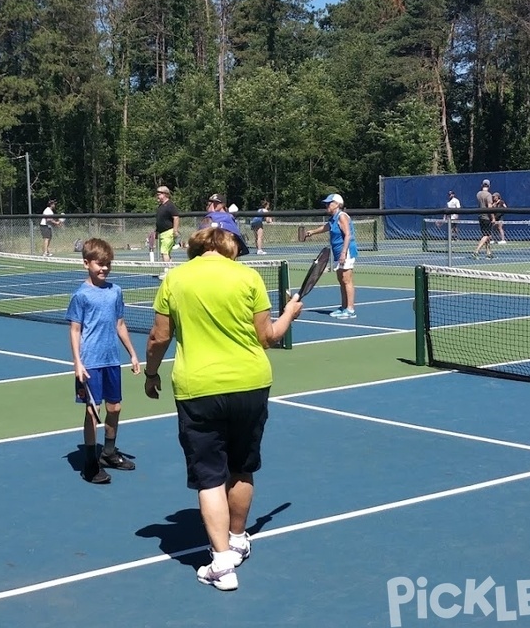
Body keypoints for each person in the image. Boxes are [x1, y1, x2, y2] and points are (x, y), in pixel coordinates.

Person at [143, 226, 302, 591]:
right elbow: (268, 338)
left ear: (197, 248)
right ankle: (237, 538)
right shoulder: (249, 278)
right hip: (251, 383)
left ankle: (221, 564)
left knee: (210, 476)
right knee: (242, 467)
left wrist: (151, 374)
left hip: (198, 388)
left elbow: (159, 337)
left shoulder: (176, 279)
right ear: (229, 248)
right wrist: (290, 312)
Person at [66, 237, 141, 483]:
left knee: (115, 408)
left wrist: (132, 353)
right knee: (92, 412)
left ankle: (108, 452)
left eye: (107, 264)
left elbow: (120, 324)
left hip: (111, 361)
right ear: (86, 263)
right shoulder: (81, 295)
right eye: (99, 264)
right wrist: (77, 362)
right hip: (90, 363)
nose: (104, 268)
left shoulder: (115, 291)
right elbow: (75, 330)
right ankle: (90, 463)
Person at [302, 194, 357, 318]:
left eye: (329, 203)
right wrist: (312, 232)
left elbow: (348, 235)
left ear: (337, 204)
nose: (327, 205)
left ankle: (350, 309)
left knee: (347, 280)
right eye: (326, 203)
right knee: (341, 280)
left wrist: (343, 253)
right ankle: (343, 307)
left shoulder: (342, 216)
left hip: (346, 251)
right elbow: (326, 227)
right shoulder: (333, 218)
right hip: (338, 252)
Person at [154, 185, 180, 263]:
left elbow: (176, 217)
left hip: (168, 232)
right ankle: (170, 270)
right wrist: (157, 231)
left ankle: (166, 271)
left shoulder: (170, 205)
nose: (157, 196)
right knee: (166, 253)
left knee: (164, 252)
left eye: (159, 194)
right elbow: (160, 220)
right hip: (162, 233)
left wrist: (175, 231)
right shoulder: (161, 206)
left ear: (165, 194)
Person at [473, 179, 495, 260]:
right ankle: (476, 251)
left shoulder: (478, 194)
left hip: (480, 216)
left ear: (482, 185)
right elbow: (489, 208)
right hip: (486, 217)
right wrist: (493, 218)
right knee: (486, 235)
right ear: (489, 186)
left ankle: (488, 252)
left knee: (488, 235)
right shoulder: (488, 195)